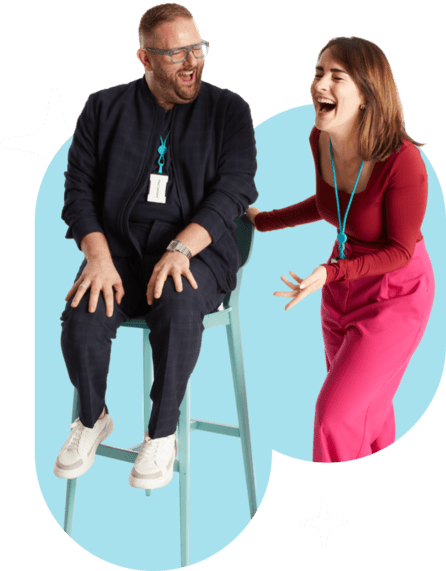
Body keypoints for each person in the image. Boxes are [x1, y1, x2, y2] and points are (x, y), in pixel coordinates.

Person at [54, 2, 257, 489]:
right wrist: (97, 258)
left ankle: (162, 433)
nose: (192, 62)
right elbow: (77, 191)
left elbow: (235, 189)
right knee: (82, 317)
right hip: (118, 253)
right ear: (143, 58)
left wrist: (180, 249)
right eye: (176, 53)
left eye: (198, 48)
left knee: (179, 301)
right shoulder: (103, 108)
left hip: (199, 253)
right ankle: (92, 417)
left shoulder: (229, 109)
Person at [246, 36, 434, 463]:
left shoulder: (402, 161)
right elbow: (329, 202)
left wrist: (329, 273)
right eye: (317, 73)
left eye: (336, 76)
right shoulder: (321, 138)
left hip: (393, 295)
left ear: (366, 94)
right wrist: (265, 220)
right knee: (366, 414)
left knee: (334, 417)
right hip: (340, 290)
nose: (319, 84)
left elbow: (400, 250)